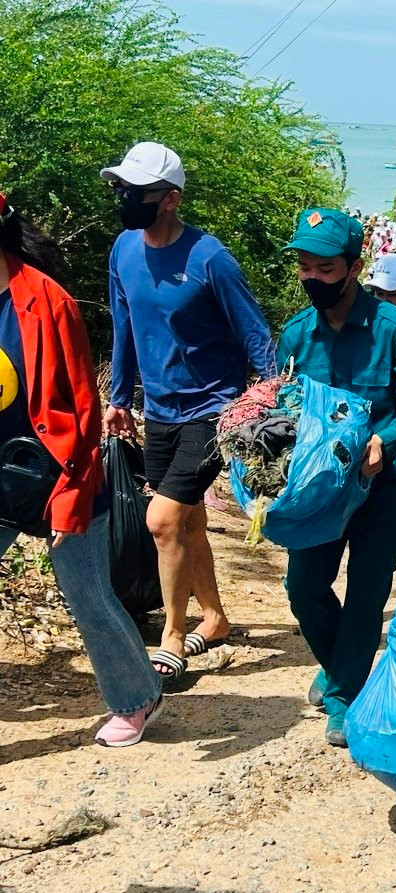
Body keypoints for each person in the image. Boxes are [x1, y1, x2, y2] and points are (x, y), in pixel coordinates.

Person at [101, 142, 276, 681]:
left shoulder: (210, 259)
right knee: (189, 520)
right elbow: (124, 327)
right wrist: (119, 398)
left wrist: (268, 399)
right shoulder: (123, 250)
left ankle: (172, 636)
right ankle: (215, 617)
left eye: (140, 192)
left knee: (162, 521)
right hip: (159, 409)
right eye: (122, 189)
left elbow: (254, 332)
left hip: (213, 409)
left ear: (171, 199)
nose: (128, 199)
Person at [0, 193, 163, 745]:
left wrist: (75, 486)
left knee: (89, 595)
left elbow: (79, 405)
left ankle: (137, 697)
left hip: (56, 473)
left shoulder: (49, 303)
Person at [277, 209, 396, 747]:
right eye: (304, 267)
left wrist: (383, 440)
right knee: (303, 587)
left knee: (368, 591)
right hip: (318, 493)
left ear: (353, 267)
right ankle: (342, 663)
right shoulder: (297, 336)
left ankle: (345, 691)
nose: (312, 279)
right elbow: (282, 407)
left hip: (384, 487)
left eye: (325, 269)